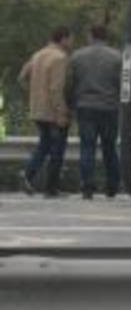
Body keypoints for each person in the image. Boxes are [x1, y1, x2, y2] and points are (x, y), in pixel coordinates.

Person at [65, 25, 122, 200]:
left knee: (87, 147)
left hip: (85, 107)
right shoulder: (117, 57)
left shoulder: (77, 56)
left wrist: (70, 103)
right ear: (106, 37)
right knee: (109, 148)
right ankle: (112, 185)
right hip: (109, 107)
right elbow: (122, 84)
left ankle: (87, 186)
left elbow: (70, 83)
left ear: (90, 36)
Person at [18, 26, 73, 198]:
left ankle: (28, 174)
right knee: (57, 150)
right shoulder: (59, 58)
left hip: (38, 110)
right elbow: (56, 88)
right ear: (63, 39)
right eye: (71, 38)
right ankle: (50, 188)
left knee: (45, 144)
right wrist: (62, 112)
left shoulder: (38, 54)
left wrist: (34, 94)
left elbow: (21, 77)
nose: (72, 42)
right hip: (52, 112)